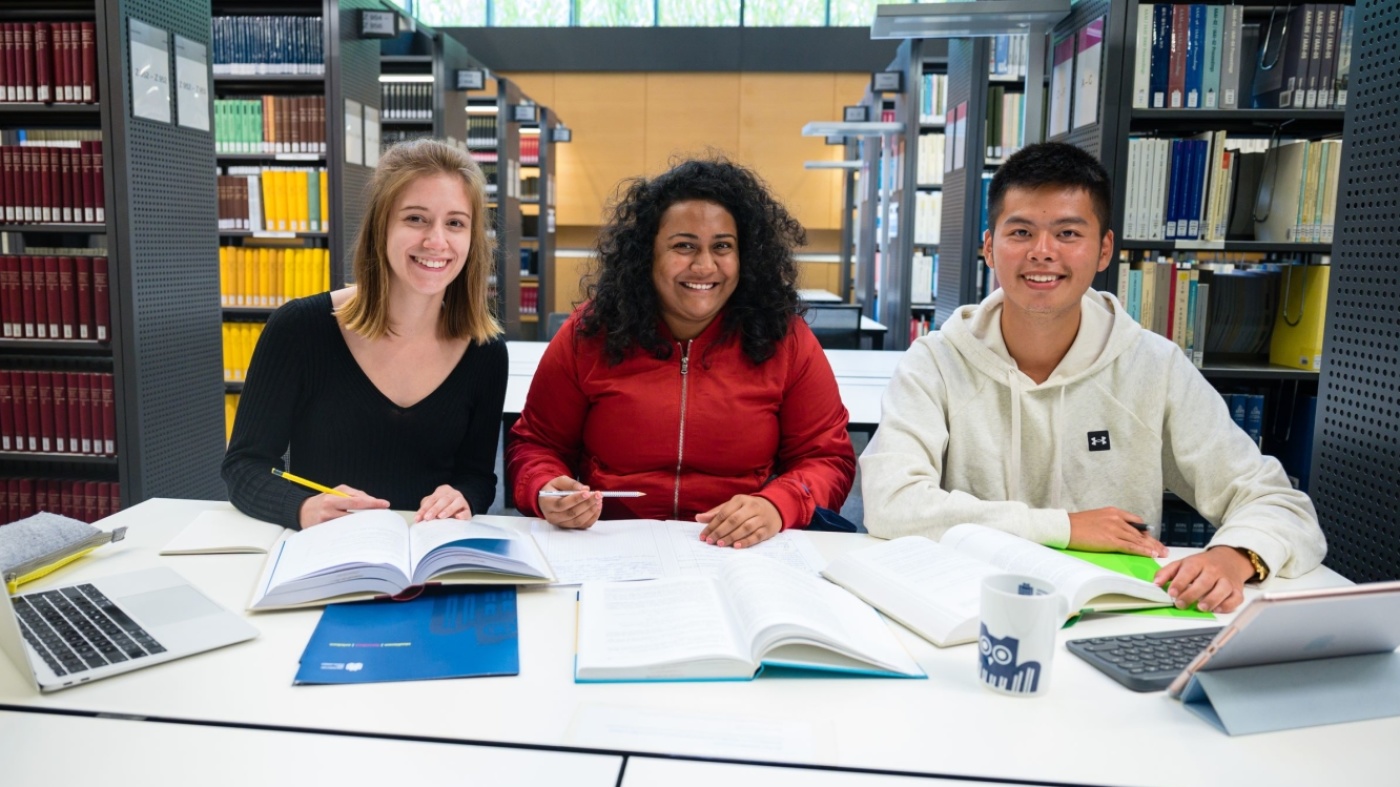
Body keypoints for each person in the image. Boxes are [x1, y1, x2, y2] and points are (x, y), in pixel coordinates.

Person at [860, 142, 1326, 613]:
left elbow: (1278, 503)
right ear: (988, 246)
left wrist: (1236, 554)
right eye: (1020, 231)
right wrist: (1063, 526)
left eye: (1067, 233)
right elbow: (890, 504)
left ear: (1105, 250)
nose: (1042, 253)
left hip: (1112, 612)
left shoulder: (1153, 365)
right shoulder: (935, 361)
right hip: (967, 608)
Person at [507, 158, 855, 549]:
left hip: (738, 555)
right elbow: (536, 444)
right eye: (684, 246)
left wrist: (779, 504)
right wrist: (545, 489)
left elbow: (828, 458)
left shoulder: (786, 340)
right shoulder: (589, 334)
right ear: (647, 256)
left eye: (722, 246)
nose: (705, 265)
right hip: (606, 547)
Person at [222, 139, 507, 529]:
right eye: (415, 218)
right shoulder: (300, 329)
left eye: (455, 223)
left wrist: (463, 497)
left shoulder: (485, 352)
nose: (436, 241)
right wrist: (304, 509)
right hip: (326, 554)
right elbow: (244, 467)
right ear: (381, 226)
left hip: (429, 560)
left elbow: (477, 477)